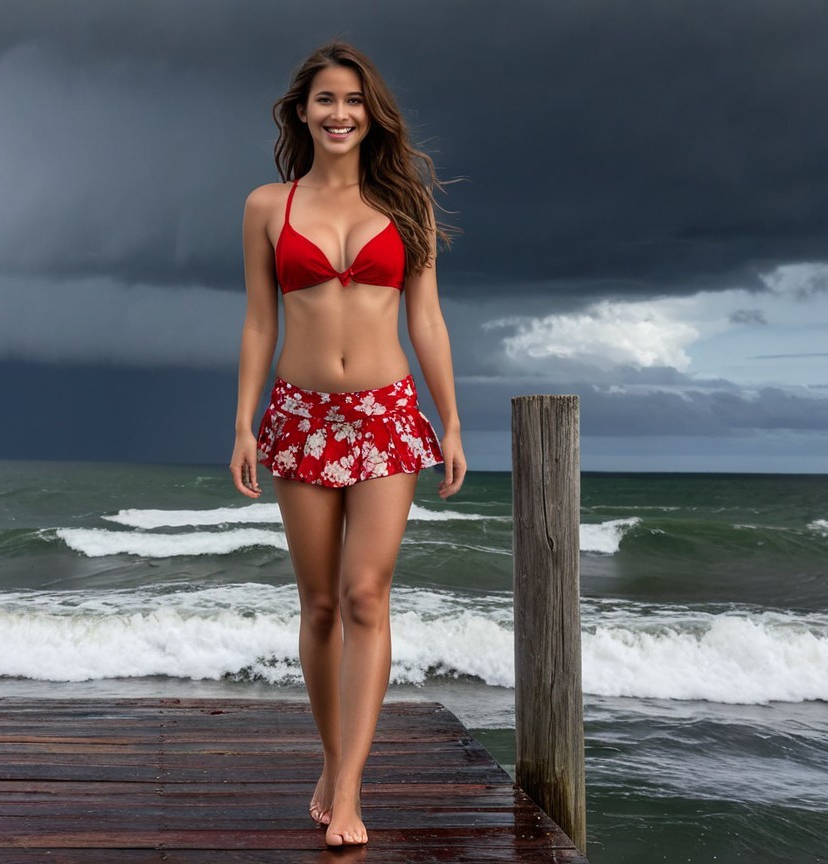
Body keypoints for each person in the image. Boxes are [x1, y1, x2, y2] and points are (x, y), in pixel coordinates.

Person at [229, 41, 467, 847]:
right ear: (303, 110)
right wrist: (244, 421)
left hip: (386, 413)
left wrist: (451, 419)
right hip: (299, 414)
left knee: (368, 594)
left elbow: (425, 317)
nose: (340, 114)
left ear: (372, 116)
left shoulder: (406, 206)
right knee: (321, 603)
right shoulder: (269, 206)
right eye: (326, 100)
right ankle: (331, 758)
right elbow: (261, 320)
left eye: (354, 101)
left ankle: (353, 788)